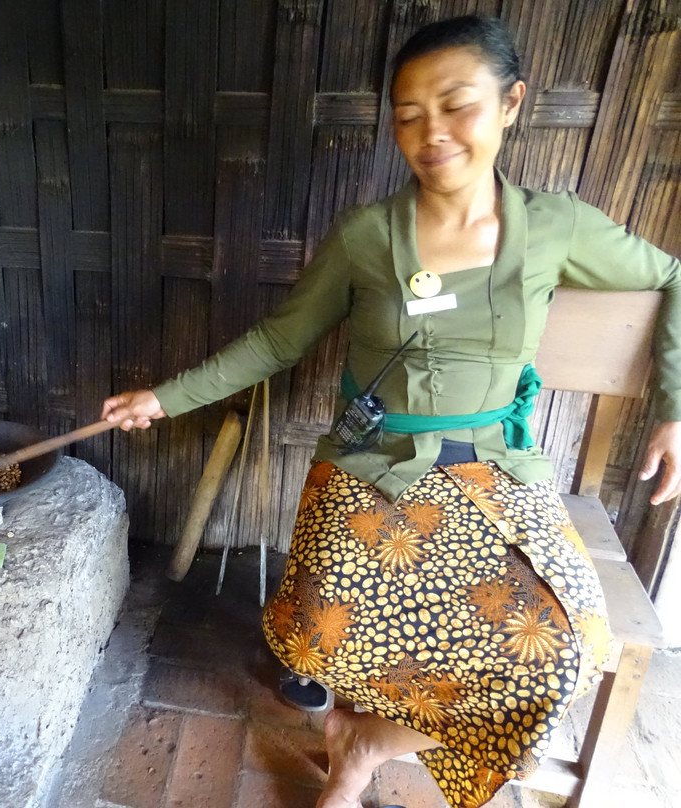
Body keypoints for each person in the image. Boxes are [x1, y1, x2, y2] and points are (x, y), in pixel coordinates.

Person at [101, 14, 681, 808]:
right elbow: (278, 340)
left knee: (564, 654)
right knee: (320, 626)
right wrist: (164, 397)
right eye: (408, 115)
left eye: (457, 104)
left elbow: (673, 276)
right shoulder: (367, 236)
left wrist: (675, 407)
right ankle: (357, 735)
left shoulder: (557, 226)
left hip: (497, 472)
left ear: (511, 104)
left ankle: (369, 741)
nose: (431, 131)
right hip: (374, 465)